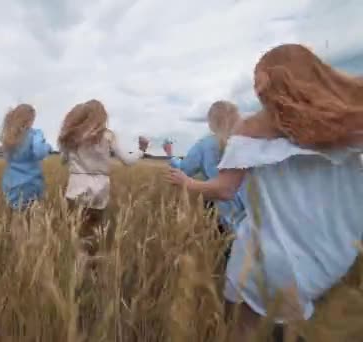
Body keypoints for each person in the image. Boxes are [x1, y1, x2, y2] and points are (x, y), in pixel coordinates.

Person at [166, 43, 363, 341]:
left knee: (243, 331)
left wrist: (186, 182)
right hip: (329, 259)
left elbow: (224, 190)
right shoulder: (349, 123)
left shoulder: (254, 128)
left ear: (267, 80)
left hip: (265, 257)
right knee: (293, 328)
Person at [58, 100, 149, 256]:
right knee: (94, 232)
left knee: (76, 232)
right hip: (99, 191)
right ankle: (91, 267)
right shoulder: (108, 136)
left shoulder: (71, 135)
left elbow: (63, 161)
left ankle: (76, 266)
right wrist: (141, 150)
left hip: (75, 188)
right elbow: (128, 161)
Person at [164, 100, 247, 261]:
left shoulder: (204, 145)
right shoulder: (250, 143)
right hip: (258, 222)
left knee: (227, 263)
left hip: (226, 218)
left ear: (211, 124)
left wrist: (170, 155)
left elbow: (184, 170)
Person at [0, 103, 52, 211]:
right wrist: (48, 147)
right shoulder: (35, 134)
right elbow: (39, 152)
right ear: (30, 119)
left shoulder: (9, 136)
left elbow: (7, 158)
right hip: (31, 183)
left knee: (17, 218)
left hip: (11, 183)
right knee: (34, 219)